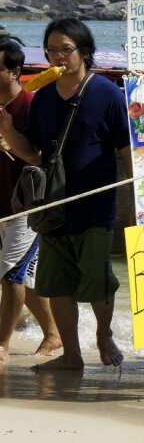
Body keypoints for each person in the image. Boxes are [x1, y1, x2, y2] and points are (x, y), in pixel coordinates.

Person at [0, 19, 131, 370]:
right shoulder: (42, 99)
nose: (58, 56)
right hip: (52, 206)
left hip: (96, 206)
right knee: (57, 284)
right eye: (52, 50)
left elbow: (125, 148)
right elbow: (32, 154)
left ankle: (104, 335)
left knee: (98, 279)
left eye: (66, 49)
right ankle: (71, 355)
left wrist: (141, 199)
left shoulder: (107, 94)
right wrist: (9, 131)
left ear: (84, 52)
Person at [0, 40, 61, 364]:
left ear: (14, 72)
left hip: (30, 206)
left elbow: (41, 157)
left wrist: (9, 137)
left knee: (10, 273)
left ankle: (2, 346)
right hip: (2, 206)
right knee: (22, 276)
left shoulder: (33, 107)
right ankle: (54, 333)